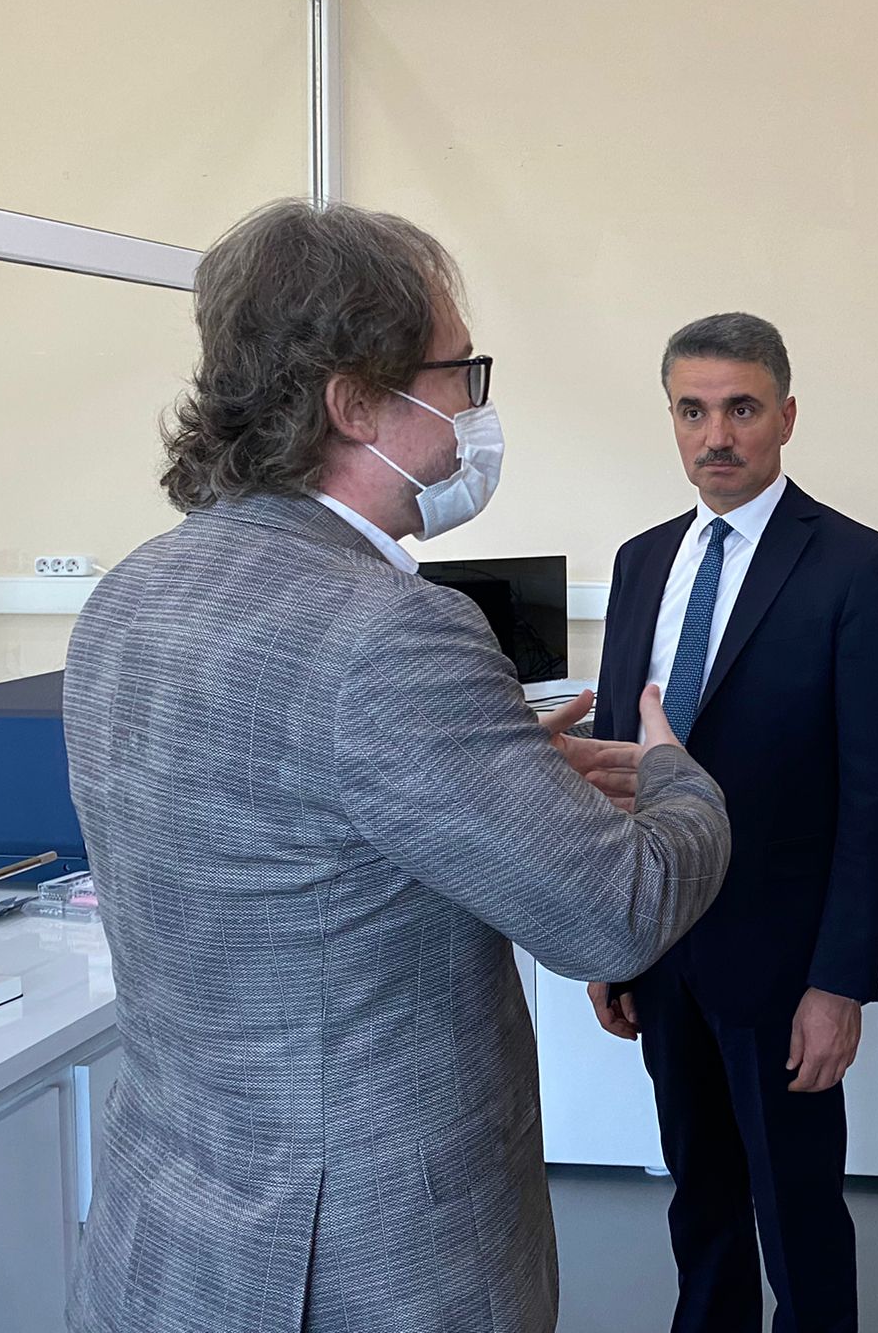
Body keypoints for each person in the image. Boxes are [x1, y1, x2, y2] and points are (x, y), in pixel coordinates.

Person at [62, 199, 730, 1333]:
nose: (475, 407)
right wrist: (675, 776)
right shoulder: (388, 630)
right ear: (356, 403)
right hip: (363, 1265)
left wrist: (496, 783)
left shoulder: (131, 594)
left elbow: (289, 827)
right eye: (459, 372)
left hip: (167, 1244)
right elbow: (617, 914)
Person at [584, 312, 878, 1333]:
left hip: (782, 963)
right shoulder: (641, 562)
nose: (715, 435)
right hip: (661, 945)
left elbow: (875, 800)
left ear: (786, 416)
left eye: (740, 409)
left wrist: (840, 983)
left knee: (796, 1210)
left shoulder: (854, 567)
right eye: (692, 411)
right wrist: (607, 935)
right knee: (699, 1198)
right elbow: (619, 762)